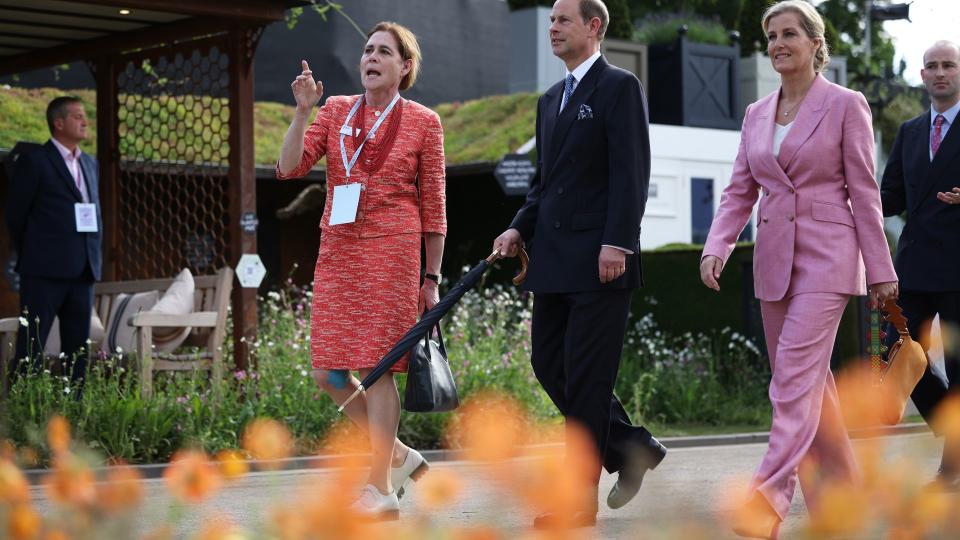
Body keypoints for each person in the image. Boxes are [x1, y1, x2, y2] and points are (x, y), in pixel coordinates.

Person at [699, 1, 898, 537]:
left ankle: (766, 499)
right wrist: (717, 244)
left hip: (830, 258)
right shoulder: (756, 114)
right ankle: (843, 503)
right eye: (771, 35)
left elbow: (865, 191)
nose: (779, 43)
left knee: (790, 381)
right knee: (812, 387)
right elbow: (741, 189)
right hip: (773, 262)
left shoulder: (846, 105)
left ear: (815, 42)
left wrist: (879, 269)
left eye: (790, 33)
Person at [493, 0, 667, 529]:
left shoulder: (618, 87)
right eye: (549, 21)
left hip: (600, 262)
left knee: (588, 380)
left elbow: (631, 173)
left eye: (562, 20)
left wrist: (618, 241)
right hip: (553, 260)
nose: (552, 28)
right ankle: (632, 445)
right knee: (549, 364)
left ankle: (576, 501)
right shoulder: (550, 100)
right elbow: (544, 183)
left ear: (593, 27)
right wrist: (519, 225)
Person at [277, 22, 446, 520]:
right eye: (367, 50)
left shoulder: (423, 122)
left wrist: (431, 278)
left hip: (392, 254)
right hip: (340, 250)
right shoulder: (333, 111)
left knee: (377, 369)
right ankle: (396, 455)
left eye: (384, 52)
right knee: (328, 372)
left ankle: (380, 489)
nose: (371, 57)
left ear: (405, 66)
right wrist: (303, 110)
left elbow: (434, 207)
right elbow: (289, 167)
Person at [880, 39, 960, 492]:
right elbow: (889, 196)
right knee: (895, 353)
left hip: (958, 269)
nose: (940, 72)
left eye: (948, 65)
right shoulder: (910, 131)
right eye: (932, 66)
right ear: (923, 75)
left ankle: (950, 469)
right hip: (913, 266)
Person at [6, 96, 102, 388]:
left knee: (77, 352)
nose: (85, 121)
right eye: (78, 116)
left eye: (85, 116)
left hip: (83, 270)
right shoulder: (36, 161)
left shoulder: (89, 163)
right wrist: (36, 252)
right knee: (31, 347)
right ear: (58, 123)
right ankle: (21, 413)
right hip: (44, 270)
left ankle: (72, 416)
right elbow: (16, 213)